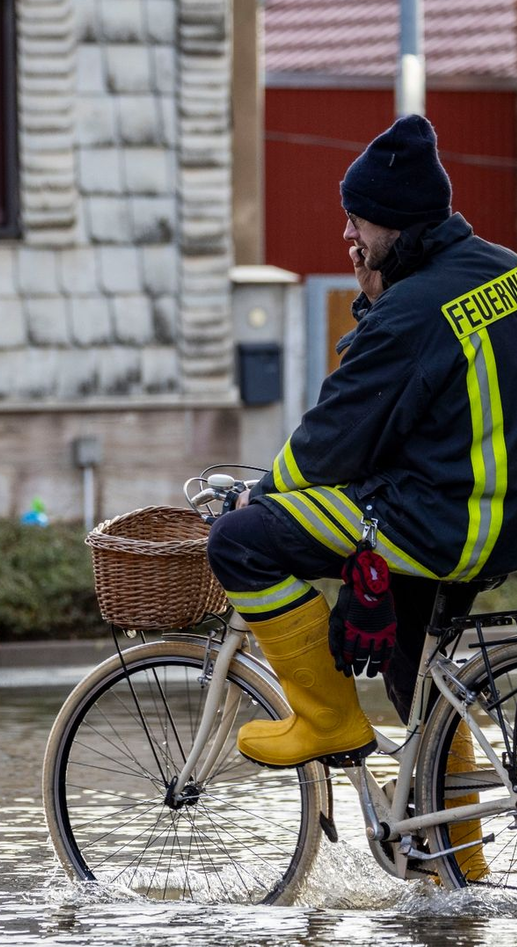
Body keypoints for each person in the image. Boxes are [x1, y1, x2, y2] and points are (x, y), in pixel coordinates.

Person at [207, 116, 517, 786]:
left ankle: (326, 718)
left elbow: (334, 439)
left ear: (397, 226)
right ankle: (446, 859)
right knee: (420, 680)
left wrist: (257, 497)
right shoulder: (504, 271)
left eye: (360, 220)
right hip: (501, 523)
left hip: (444, 524)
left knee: (240, 541)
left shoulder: (414, 310)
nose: (348, 233)